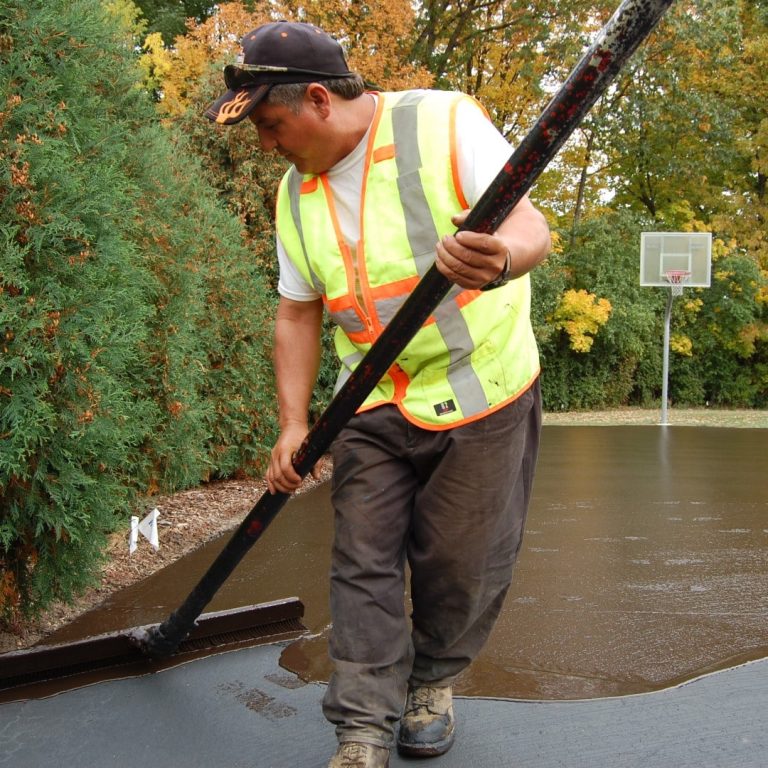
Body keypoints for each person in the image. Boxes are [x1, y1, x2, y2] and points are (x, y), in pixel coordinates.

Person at [206, 20, 550, 768]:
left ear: (320, 99)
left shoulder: (442, 122)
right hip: (369, 397)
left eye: (272, 124)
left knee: (459, 564)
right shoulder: (295, 196)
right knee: (360, 559)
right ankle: (361, 728)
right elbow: (298, 310)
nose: (267, 145)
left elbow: (529, 226)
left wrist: (500, 259)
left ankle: (432, 681)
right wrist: (293, 423)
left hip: (481, 387)